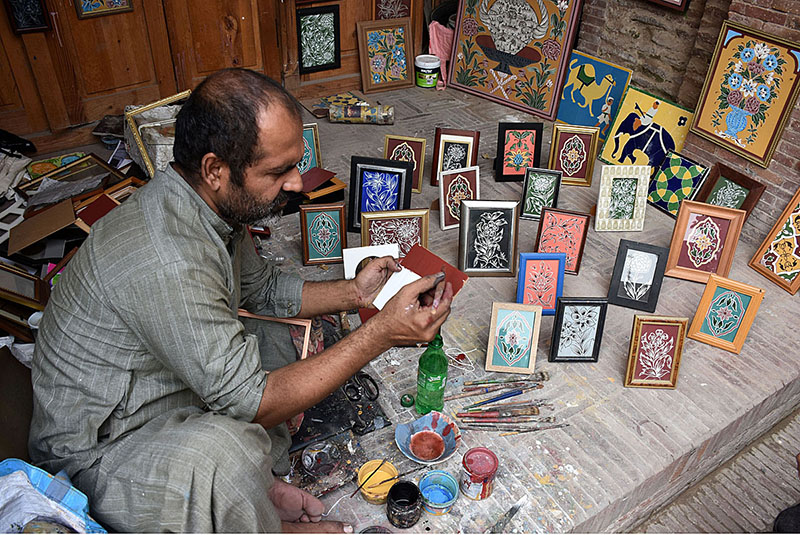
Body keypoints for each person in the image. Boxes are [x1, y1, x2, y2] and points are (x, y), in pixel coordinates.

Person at [27, 68, 454, 533]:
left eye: (295, 165)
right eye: (277, 171)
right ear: (215, 170)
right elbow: (251, 400)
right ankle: (252, 511)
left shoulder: (207, 205)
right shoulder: (169, 255)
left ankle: (248, 501)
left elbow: (263, 288)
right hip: (101, 450)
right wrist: (381, 333)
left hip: (158, 391)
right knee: (228, 454)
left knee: (275, 340)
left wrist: (356, 293)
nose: (296, 183)